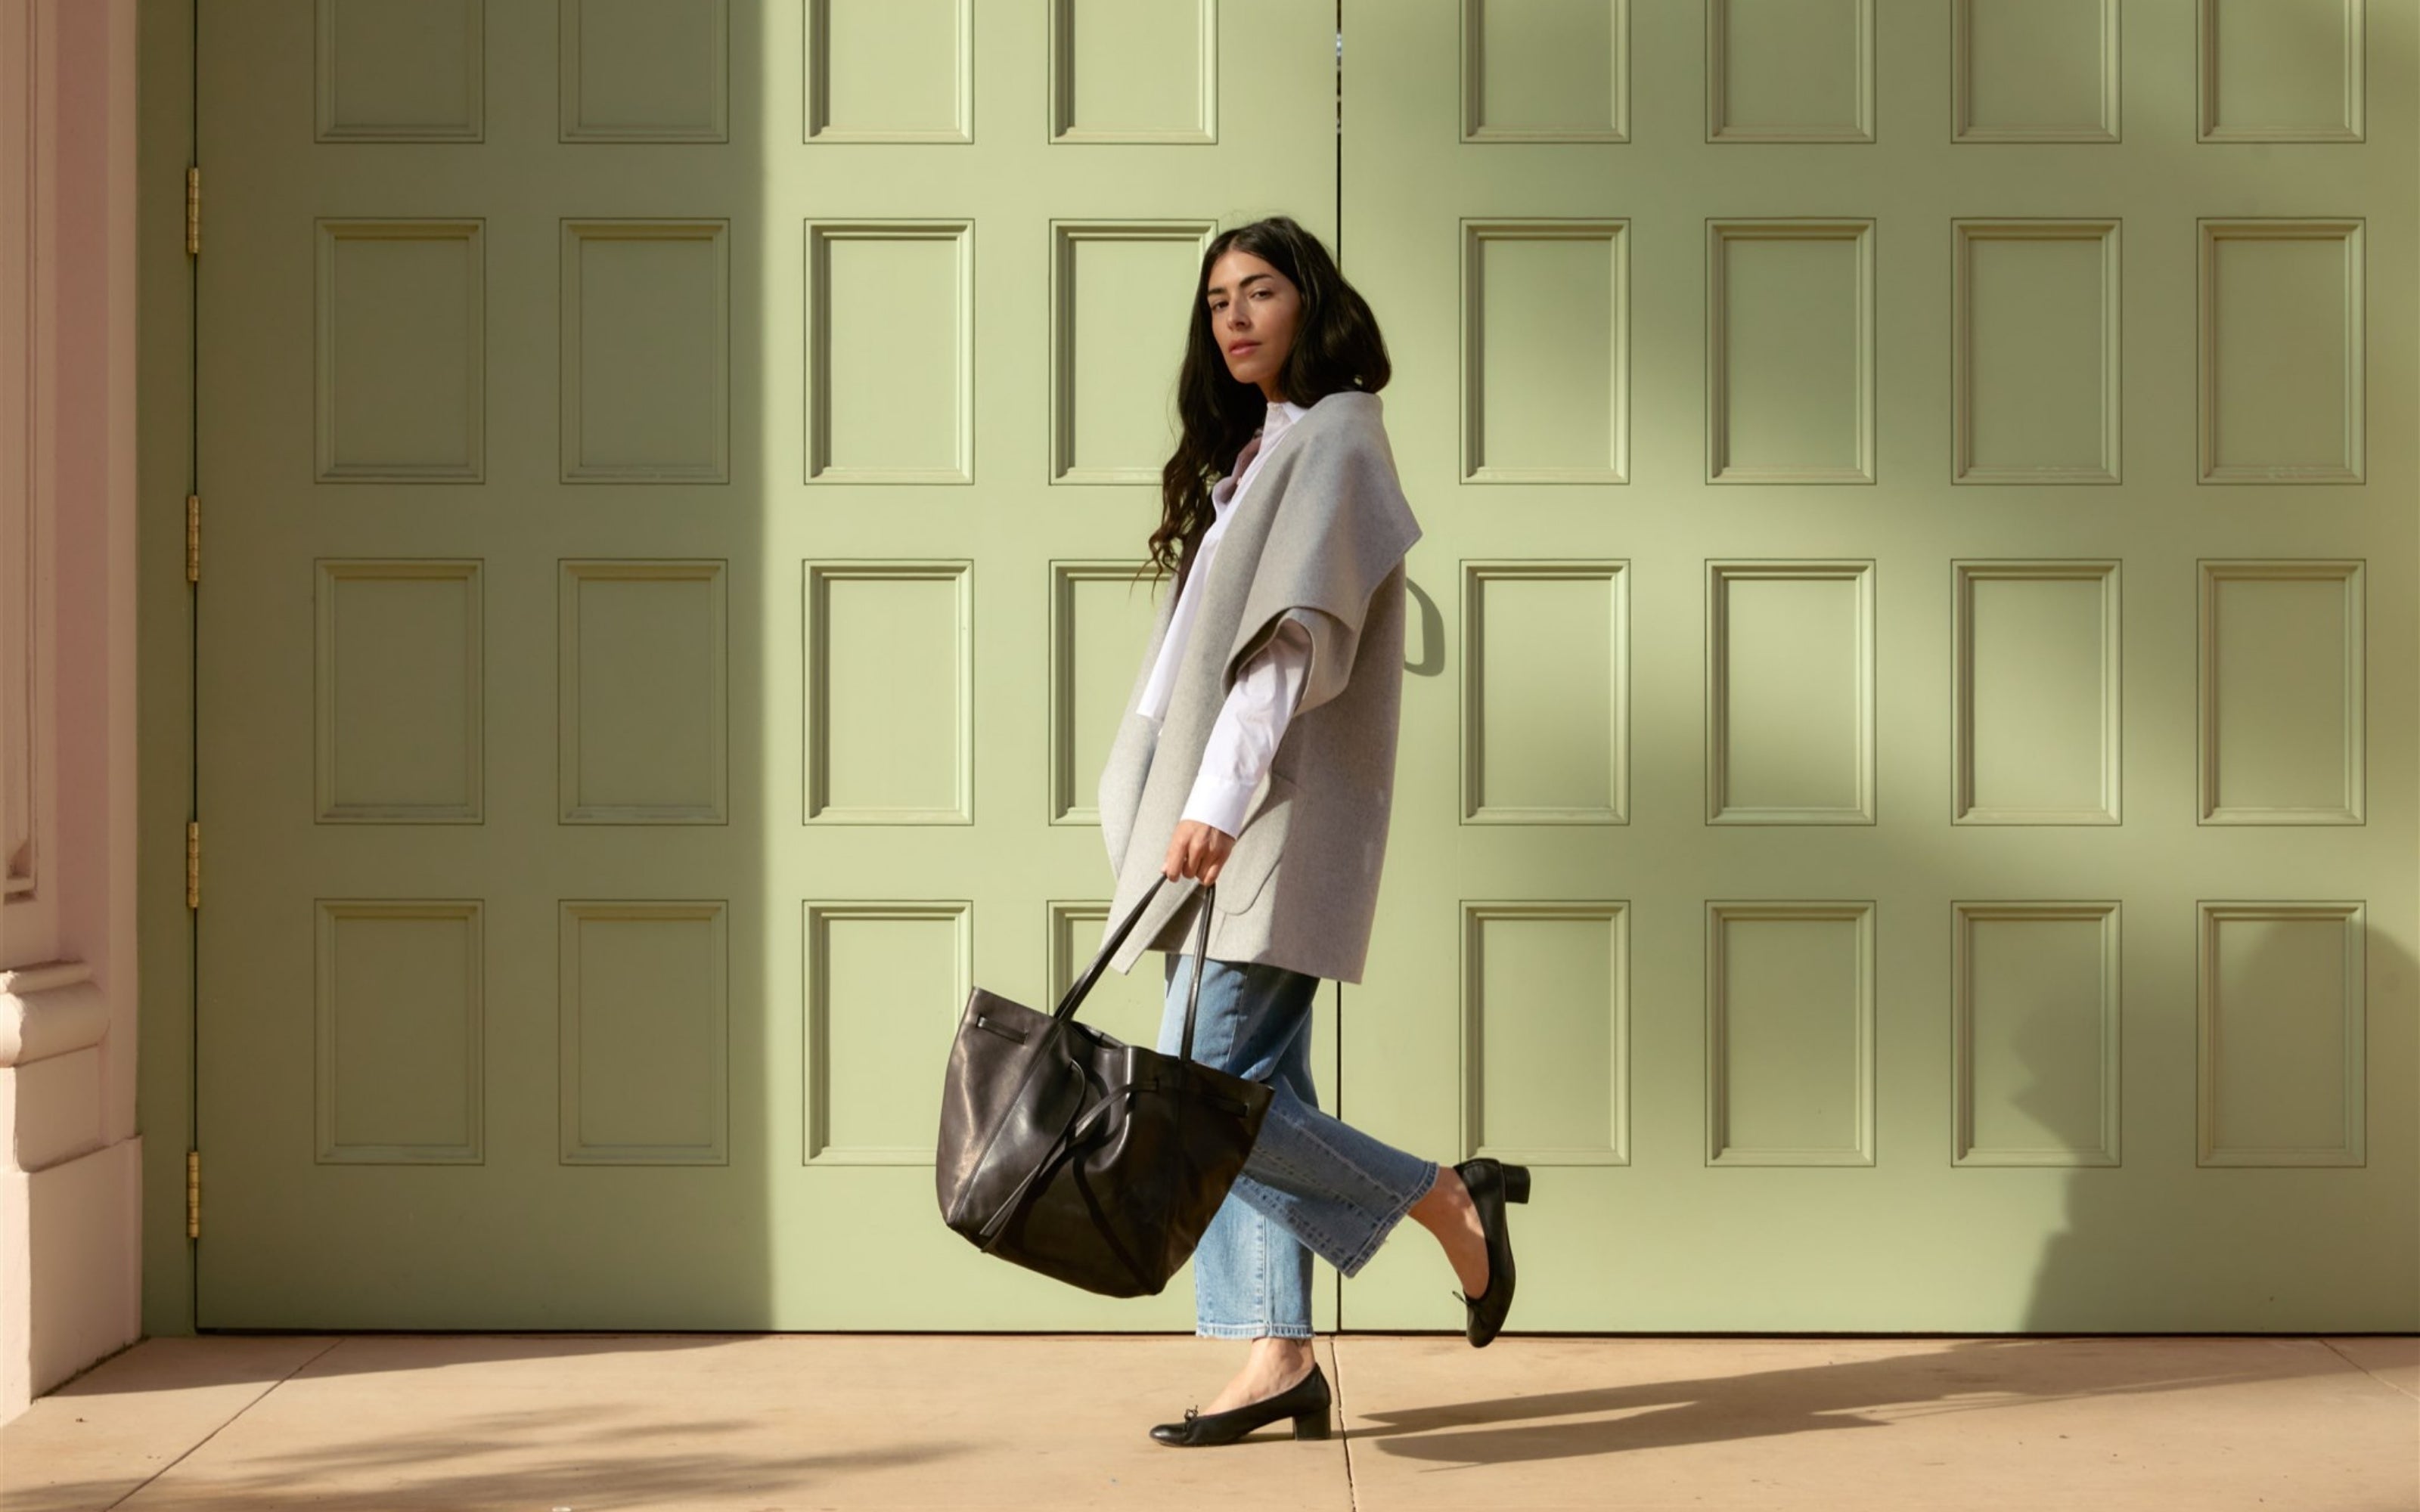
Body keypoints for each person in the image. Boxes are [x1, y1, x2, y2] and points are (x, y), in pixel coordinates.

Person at [1093, 215, 1533, 1449]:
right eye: (1219, 298)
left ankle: (1450, 1201)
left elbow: (1289, 648)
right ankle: (1278, 1356)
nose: (1235, 317)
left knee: (1202, 1101)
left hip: (1259, 824)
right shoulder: (1258, 453)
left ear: (1311, 302)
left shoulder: (1337, 438)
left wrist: (1210, 803)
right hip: (1217, 826)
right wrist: (1144, 793)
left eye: (1261, 292)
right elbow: (1190, 655)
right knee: (1253, 1086)